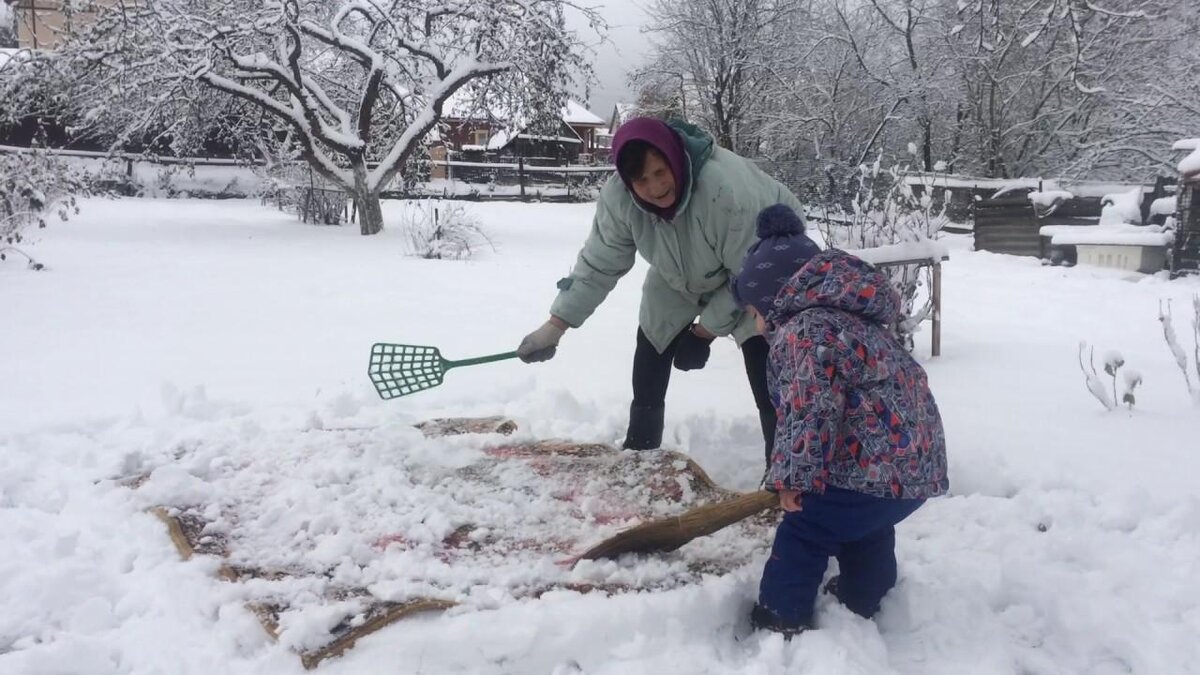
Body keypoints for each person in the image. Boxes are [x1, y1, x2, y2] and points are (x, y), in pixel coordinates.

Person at [516, 117, 811, 462]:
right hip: (677, 270)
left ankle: (786, 470)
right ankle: (640, 450)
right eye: (641, 180)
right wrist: (555, 325)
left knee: (765, 365)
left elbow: (745, 276)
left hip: (761, 265)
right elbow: (598, 264)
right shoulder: (620, 200)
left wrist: (703, 333)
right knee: (651, 344)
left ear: (673, 158)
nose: (654, 188)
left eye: (660, 172)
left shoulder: (726, 189)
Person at [731, 203, 949, 635]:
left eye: (754, 311)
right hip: (913, 470)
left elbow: (809, 409)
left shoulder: (803, 332)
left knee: (807, 529)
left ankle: (781, 614)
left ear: (778, 297)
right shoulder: (858, 322)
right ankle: (865, 594)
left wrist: (793, 478)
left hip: (870, 468)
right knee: (866, 523)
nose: (756, 325)